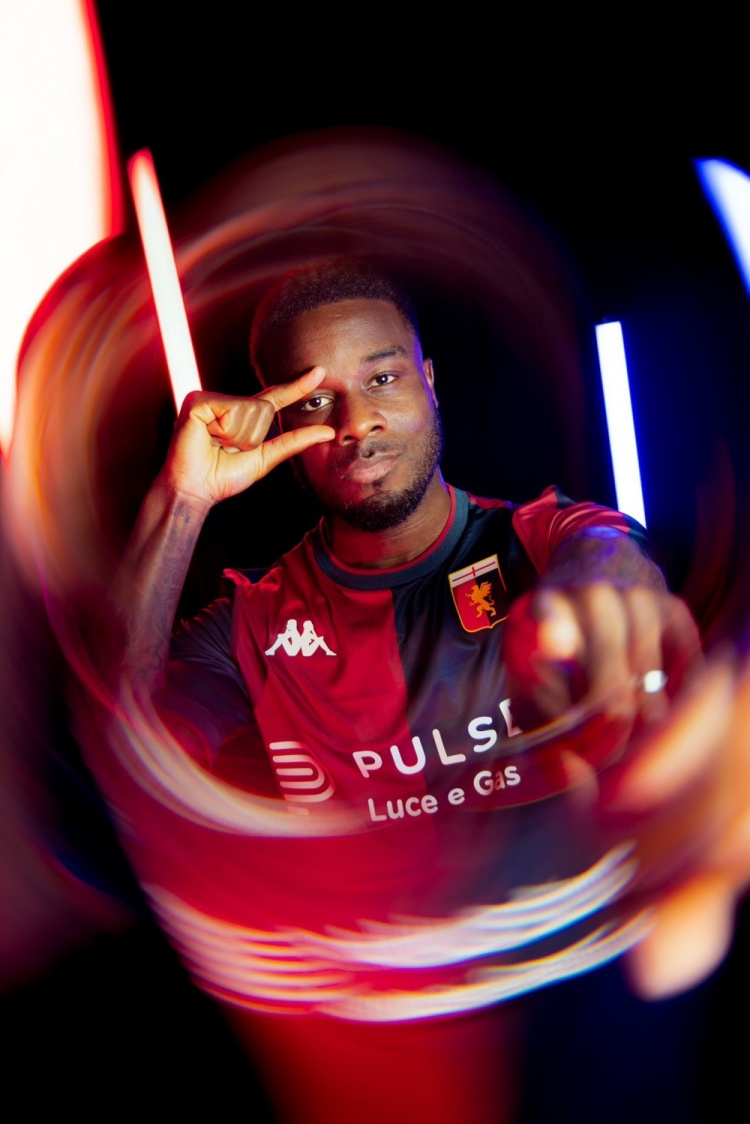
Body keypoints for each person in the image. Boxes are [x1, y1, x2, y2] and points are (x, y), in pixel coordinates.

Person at [107, 256, 712, 1123]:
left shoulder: (540, 539)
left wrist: (608, 587)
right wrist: (183, 499)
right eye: (315, 401)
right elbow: (125, 749)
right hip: (387, 1054)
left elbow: (606, 553)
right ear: (279, 422)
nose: (357, 422)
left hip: (585, 1023)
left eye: (383, 377)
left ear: (429, 381)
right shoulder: (251, 622)